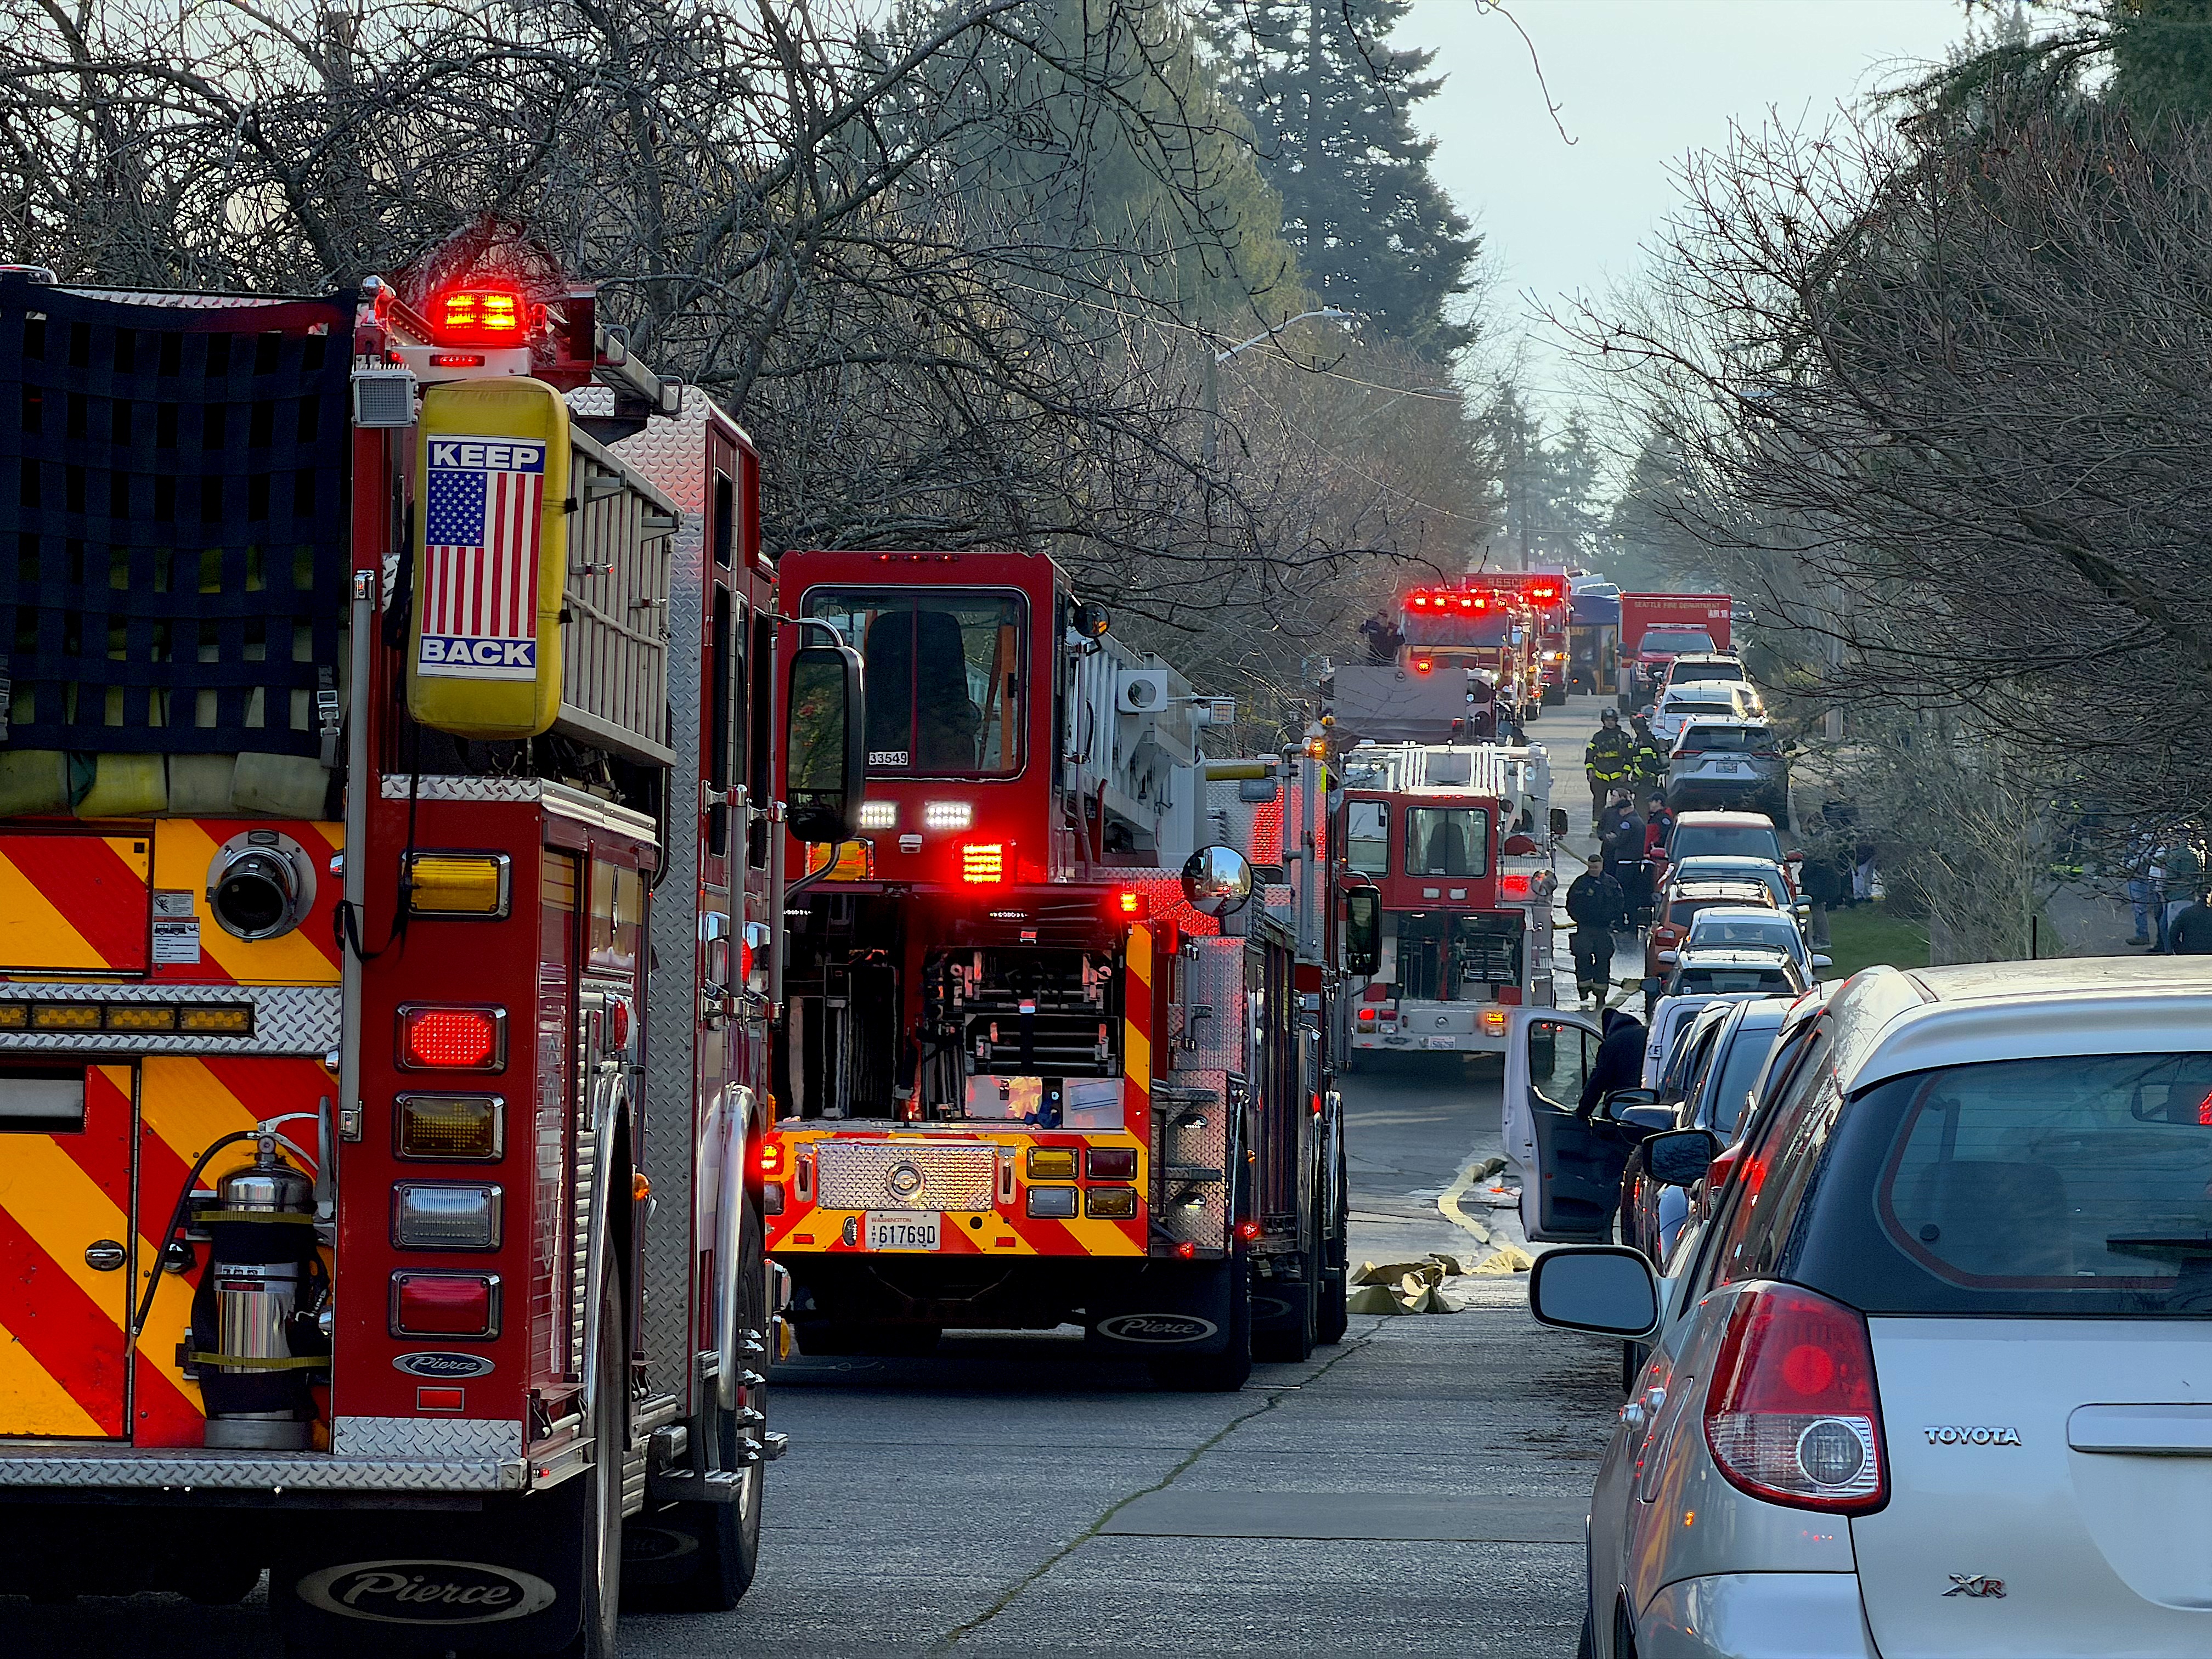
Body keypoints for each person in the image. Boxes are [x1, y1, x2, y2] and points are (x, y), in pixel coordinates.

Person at [1565, 854, 1625, 1008]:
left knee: (1603, 961)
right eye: (1591, 867)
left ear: (1602, 866)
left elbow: (1620, 903)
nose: (1593, 870)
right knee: (1583, 958)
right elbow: (1571, 902)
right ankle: (1584, 989)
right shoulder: (1581, 884)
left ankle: (1600, 995)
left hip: (1603, 929)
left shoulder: (1611, 884)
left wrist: (1613, 920)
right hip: (1584, 927)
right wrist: (1578, 918)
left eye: (1596, 867)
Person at [1578, 1008, 1648, 1116]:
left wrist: (1582, 1112)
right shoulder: (1646, 1034)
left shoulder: (1613, 1042)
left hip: (1619, 1102)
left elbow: (1599, 1080)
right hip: (1648, 1099)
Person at [1585, 709, 1634, 830]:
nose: (1610, 723)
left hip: (1617, 777)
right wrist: (1590, 770)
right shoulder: (1598, 737)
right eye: (1607, 720)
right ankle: (1596, 827)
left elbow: (1630, 757)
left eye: (1612, 720)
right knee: (1598, 803)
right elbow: (1590, 755)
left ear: (1616, 721)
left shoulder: (1624, 737)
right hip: (1600, 776)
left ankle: (1619, 826)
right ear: (1603, 721)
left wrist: (1625, 773)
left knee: (1619, 802)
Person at [2170, 889, 2212, 953]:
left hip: (2190, 952)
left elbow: (2173, 933)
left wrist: (2179, 950)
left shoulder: (2186, 912)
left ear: (2196, 896)